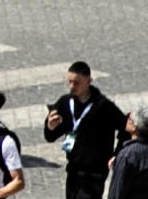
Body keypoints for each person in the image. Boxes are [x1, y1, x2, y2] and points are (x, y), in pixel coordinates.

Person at [45, 65, 126, 199]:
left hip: (95, 172)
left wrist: (116, 154)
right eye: (69, 82)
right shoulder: (65, 102)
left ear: (88, 81)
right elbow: (50, 136)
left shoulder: (103, 106)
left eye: (76, 83)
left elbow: (126, 129)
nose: (71, 86)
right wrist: (50, 126)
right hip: (73, 169)